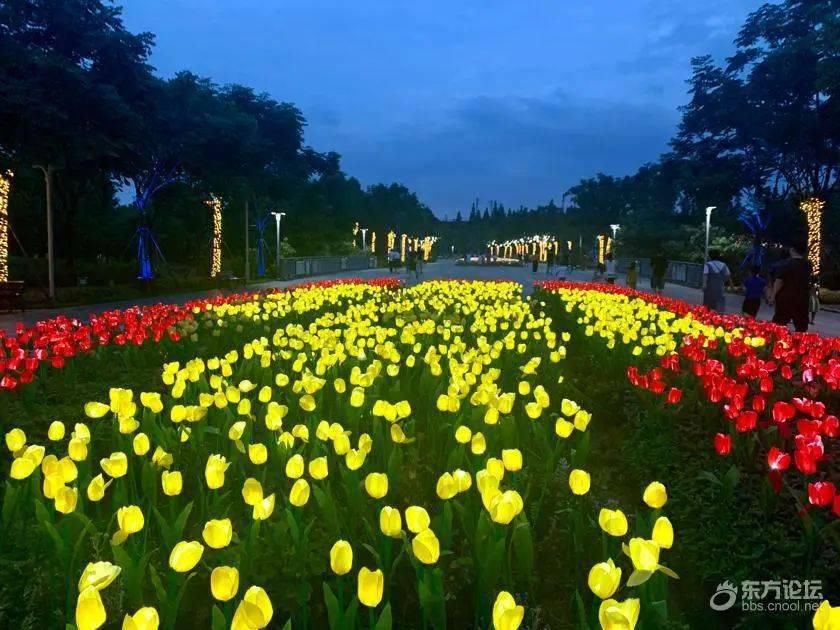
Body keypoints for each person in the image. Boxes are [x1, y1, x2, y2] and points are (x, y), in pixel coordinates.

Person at [770, 242, 811, 332]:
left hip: (786, 297)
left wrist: (773, 296)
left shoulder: (786, 264)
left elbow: (779, 281)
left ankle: (779, 341)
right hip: (802, 298)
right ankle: (799, 343)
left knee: (779, 323)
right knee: (801, 325)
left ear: (792, 250)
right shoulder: (808, 265)